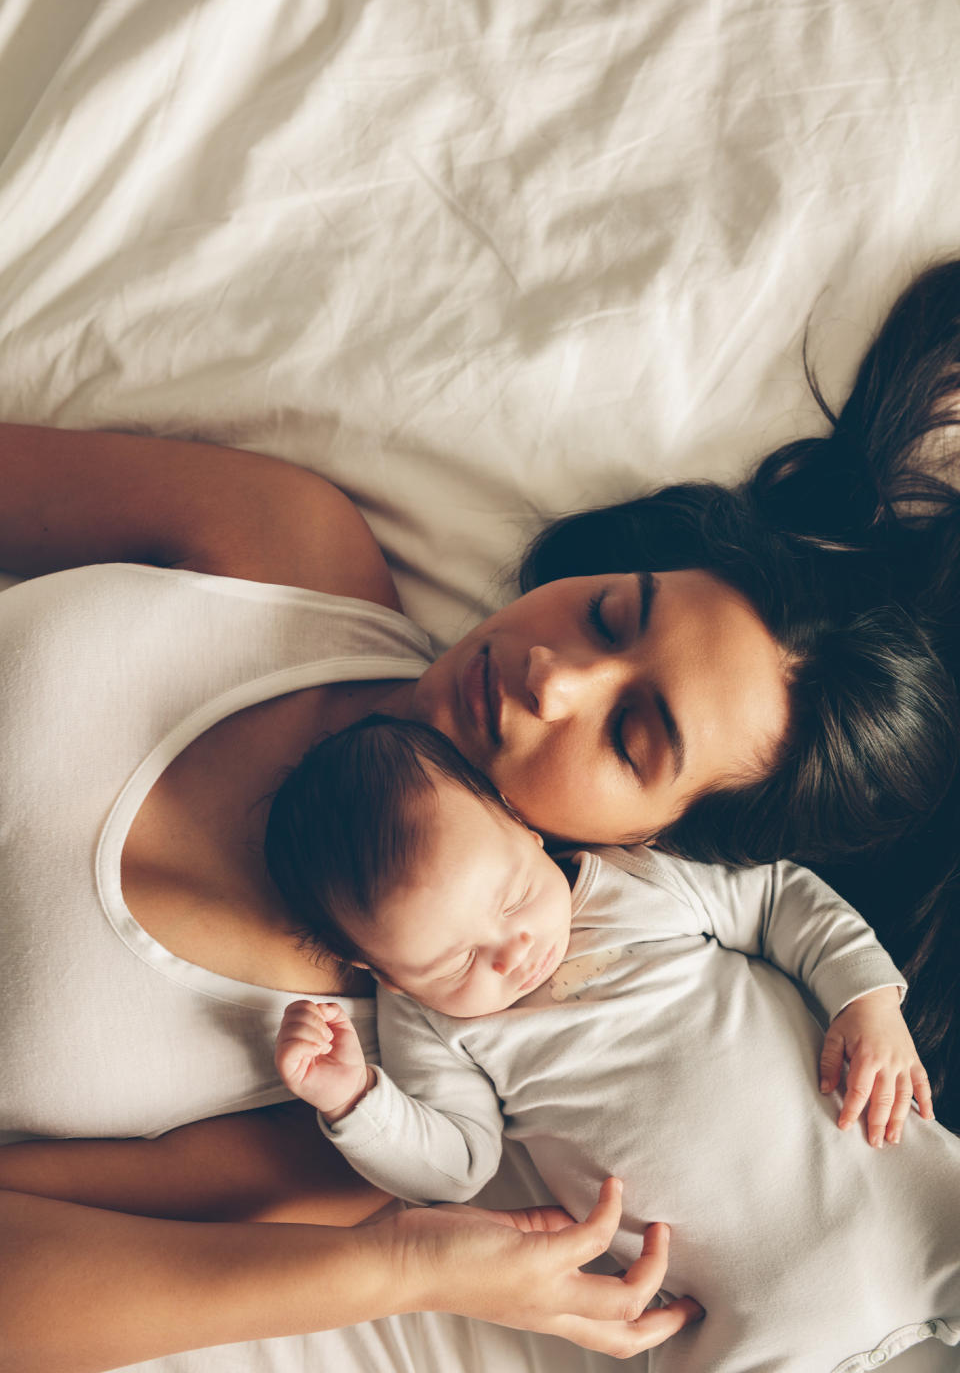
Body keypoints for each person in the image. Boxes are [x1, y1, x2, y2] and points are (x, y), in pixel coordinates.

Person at [1, 256, 960, 1366]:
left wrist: (412, 1262)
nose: (555, 677)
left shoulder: (351, 1105)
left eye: (631, 737)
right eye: (609, 616)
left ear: (649, 843)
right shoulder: (287, 550)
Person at [269, 713, 959, 1371]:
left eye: (511, 899)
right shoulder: (429, 1022)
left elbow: (784, 903)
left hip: (891, 1172)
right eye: (453, 961)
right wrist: (356, 1100)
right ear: (380, 972)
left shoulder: (633, 876)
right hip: (744, 1307)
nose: (512, 953)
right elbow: (457, 1169)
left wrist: (868, 1002)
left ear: (519, 823)